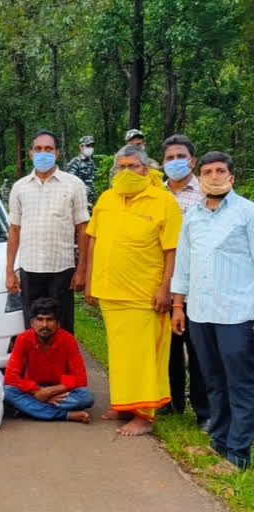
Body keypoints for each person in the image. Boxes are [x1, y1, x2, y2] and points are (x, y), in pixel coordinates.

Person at [85, 145, 182, 436]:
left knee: (142, 356)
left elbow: (172, 250)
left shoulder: (163, 201)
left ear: (146, 167)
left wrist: (166, 288)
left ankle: (144, 415)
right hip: (110, 292)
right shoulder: (106, 198)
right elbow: (93, 242)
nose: (127, 172)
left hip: (145, 294)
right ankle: (124, 404)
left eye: (133, 166)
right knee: (119, 353)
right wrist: (90, 283)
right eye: (122, 167)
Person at [171, 151, 254, 471]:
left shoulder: (246, 213)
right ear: (200, 176)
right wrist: (179, 305)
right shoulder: (193, 216)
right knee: (211, 379)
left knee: (240, 382)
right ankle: (218, 441)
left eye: (221, 170)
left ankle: (238, 453)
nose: (215, 175)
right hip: (201, 313)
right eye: (208, 171)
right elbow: (184, 264)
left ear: (232, 176)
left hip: (237, 312)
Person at [6, 129, 89, 334]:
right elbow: (14, 230)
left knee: (63, 329)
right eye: (38, 149)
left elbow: (83, 228)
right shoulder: (20, 187)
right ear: (31, 153)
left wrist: (82, 270)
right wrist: (9, 270)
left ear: (57, 153)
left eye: (49, 148)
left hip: (61, 271)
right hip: (30, 270)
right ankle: (37, 367)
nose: (44, 153)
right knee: (33, 330)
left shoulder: (74, 185)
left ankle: (63, 367)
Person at [159, 135, 209, 429]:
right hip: (164, 282)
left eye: (181, 156)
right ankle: (172, 402)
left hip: (198, 284)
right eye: (169, 158)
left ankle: (204, 410)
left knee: (199, 350)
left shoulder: (205, 193)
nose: (175, 162)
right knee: (169, 348)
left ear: (192, 160)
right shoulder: (156, 194)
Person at [3, 298, 94, 423]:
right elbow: (11, 377)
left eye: (50, 319)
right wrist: (37, 391)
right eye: (40, 319)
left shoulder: (68, 340)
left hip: (60, 389)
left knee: (86, 397)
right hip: (33, 389)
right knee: (7, 392)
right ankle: (66, 415)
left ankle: (29, 409)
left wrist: (49, 392)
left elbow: (80, 378)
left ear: (58, 323)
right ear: (32, 322)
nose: (44, 325)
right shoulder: (23, 339)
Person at [65, 135, 96, 209]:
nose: (90, 148)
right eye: (88, 145)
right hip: (78, 204)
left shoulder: (91, 163)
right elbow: (69, 184)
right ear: (81, 147)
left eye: (92, 146)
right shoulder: (75, 162)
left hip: (90, 202)